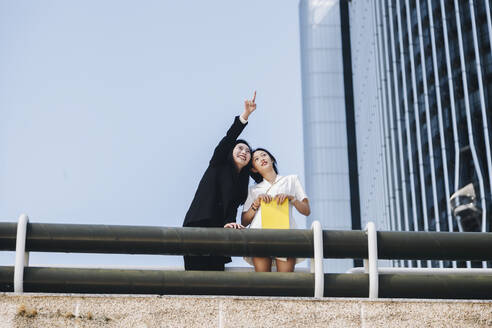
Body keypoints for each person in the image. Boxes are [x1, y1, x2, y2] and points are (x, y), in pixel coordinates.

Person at [182, 91, 257, 271]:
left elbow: (231, 208)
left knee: (215, 279)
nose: (244, 152)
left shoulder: (241, 185)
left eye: (248, 152)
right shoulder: (218, 163)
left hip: (221, 233)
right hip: (199, 224)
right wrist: (245, 115)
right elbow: (229, 138)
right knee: (195, 277)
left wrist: (230, 222)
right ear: (230, 151)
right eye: (240, 148)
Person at [241, 148, 310, 272]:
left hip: (286, 235)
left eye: (264, 155)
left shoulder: (291, 180)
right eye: (256, 159)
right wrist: (256, 203)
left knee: (286, 282)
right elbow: (244, 221)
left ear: (271, 159)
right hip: (259, 235)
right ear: (254, 169)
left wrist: (291, 198)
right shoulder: (253, 190)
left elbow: (306, 210)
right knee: (263, 282)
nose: (262, 159)